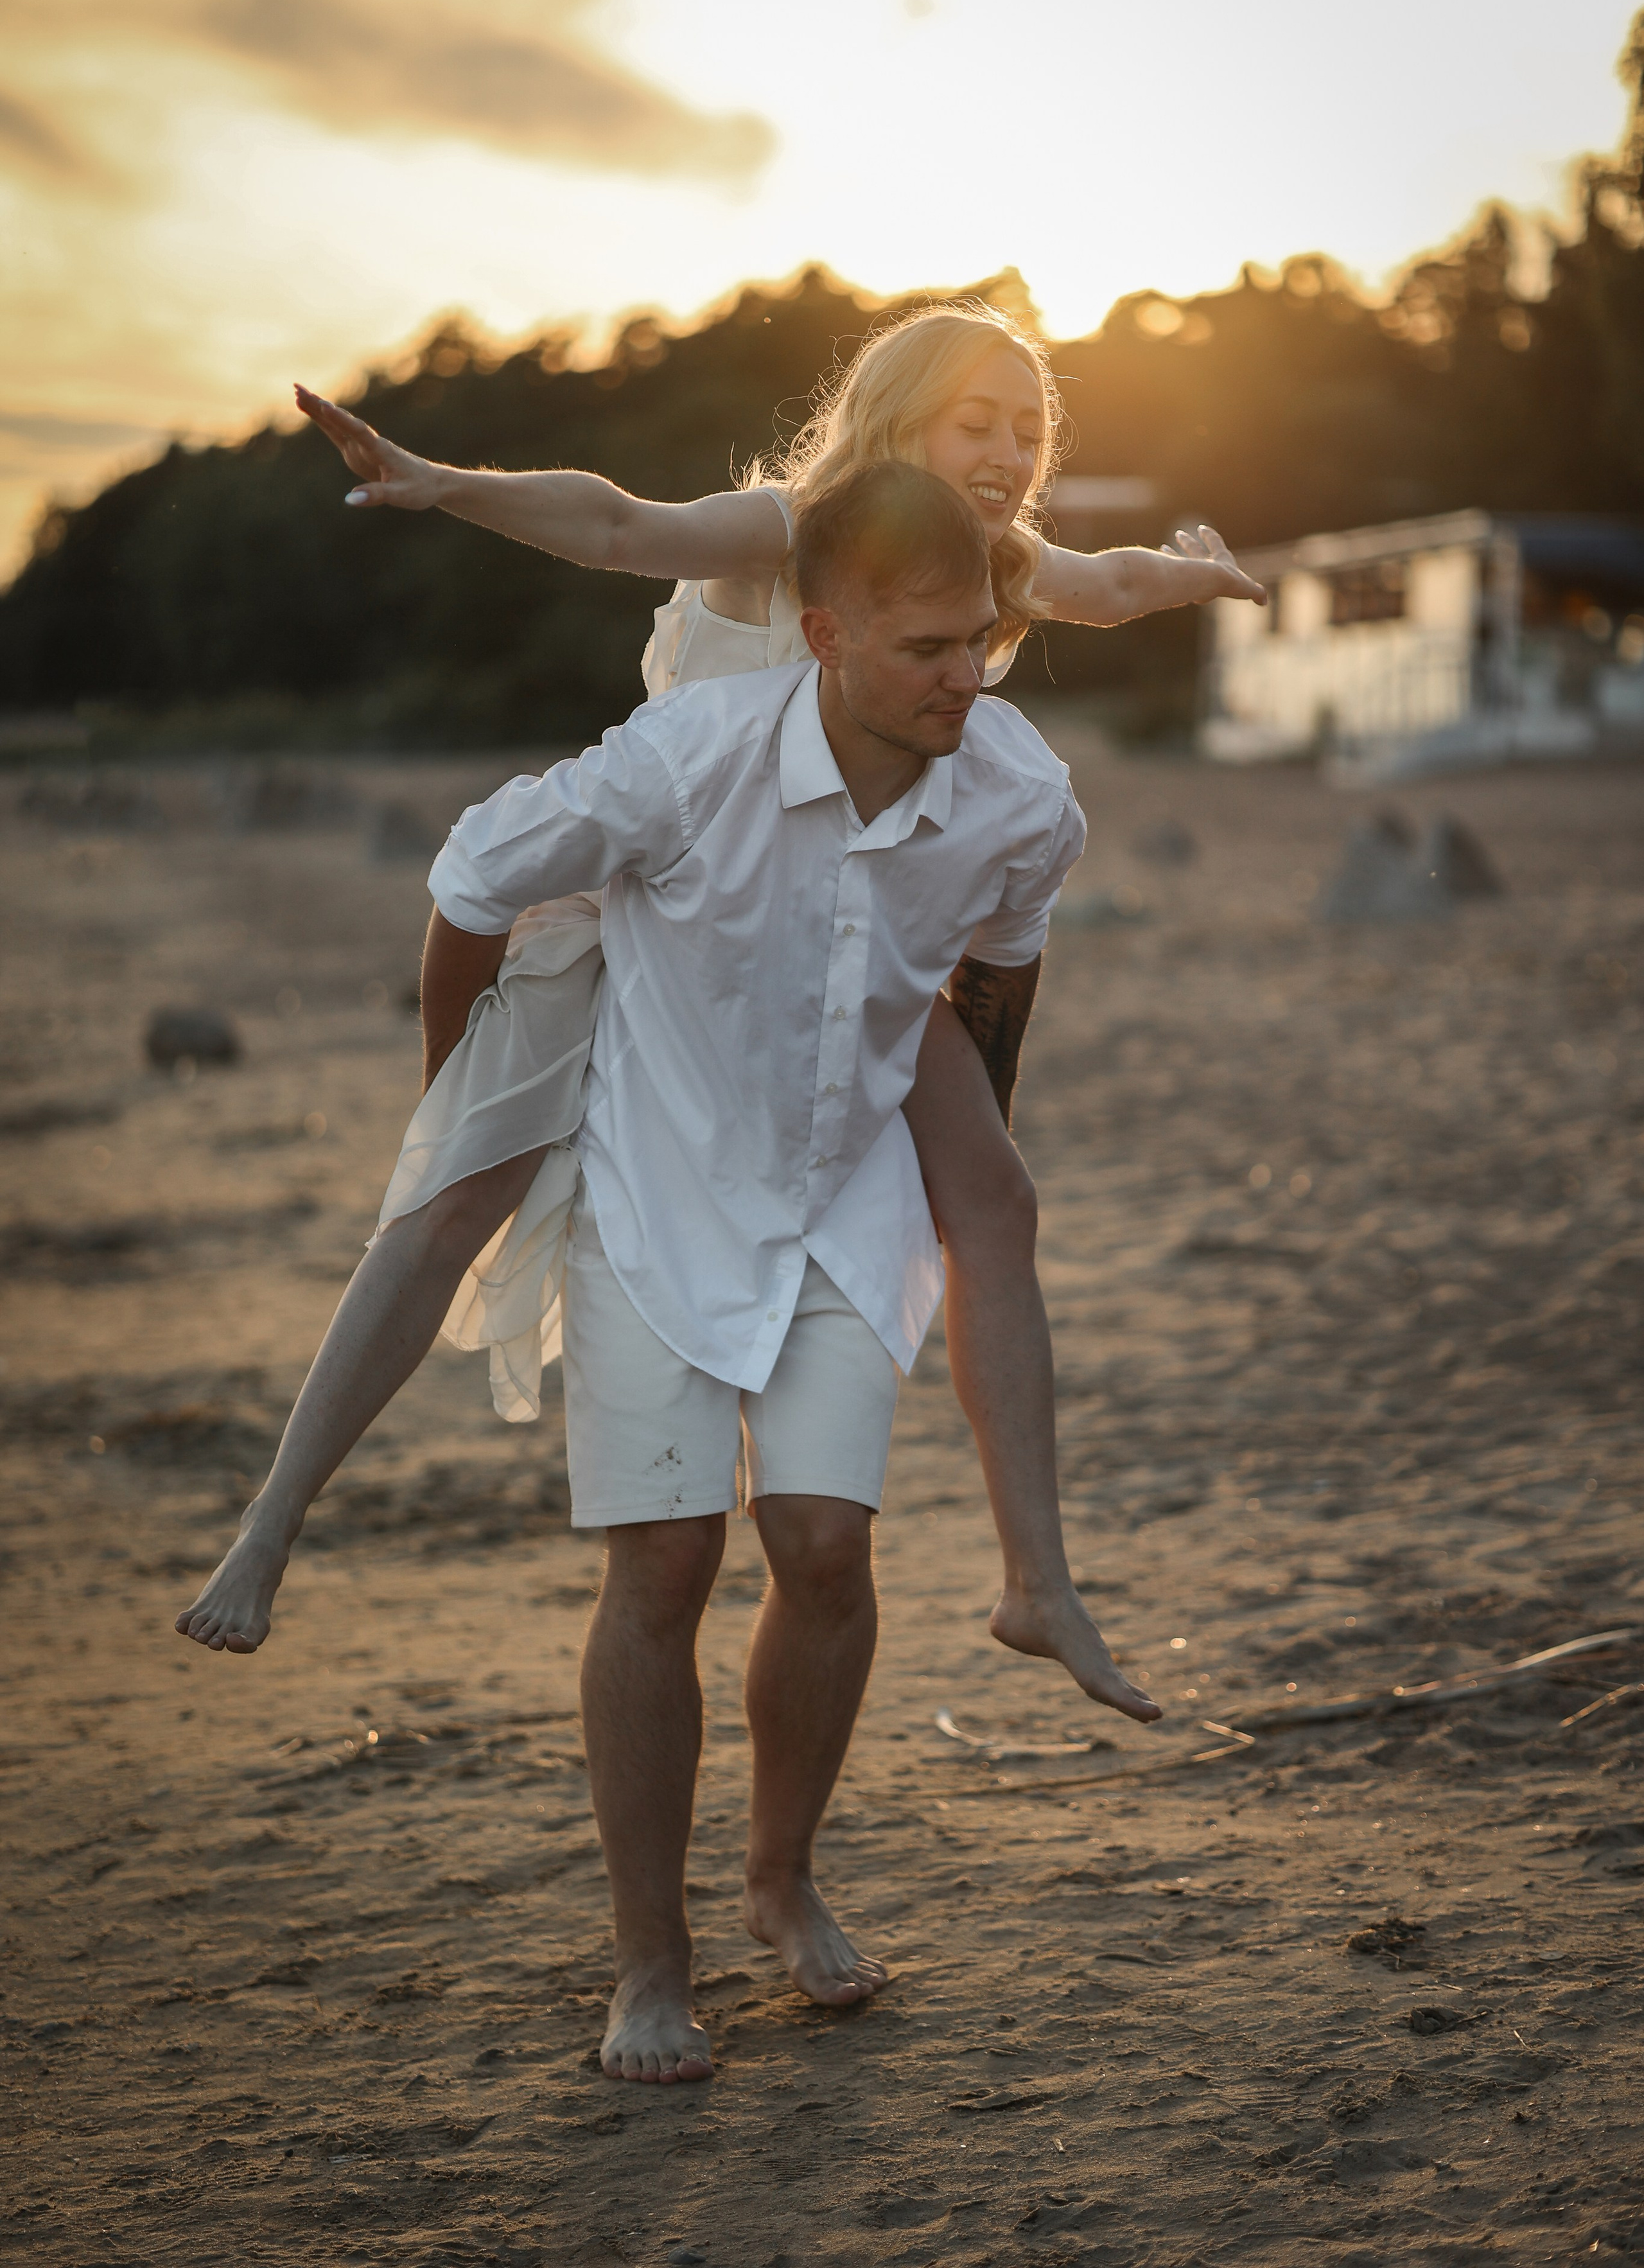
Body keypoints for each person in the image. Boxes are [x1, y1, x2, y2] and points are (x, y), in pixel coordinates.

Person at [179, 305, 1264, 1712]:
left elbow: (1103, 583)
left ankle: (1033, 1583)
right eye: (973, 422)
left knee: (994, 1196)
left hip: (846, 945)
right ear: (897, 418)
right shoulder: (794, 528)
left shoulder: (987, 567)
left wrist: (1190, 574)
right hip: (667, 904)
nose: (1004, 452)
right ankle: (269, 1528)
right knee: (458, 1193)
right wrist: (440, 484)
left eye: (1027, 429)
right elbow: (620, 525)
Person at [405, 461, 1103, 2081]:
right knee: (659, 1568)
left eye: (982, 642)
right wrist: (456, 1117)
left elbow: (998, 975)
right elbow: (464, 885)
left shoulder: (1019, 793)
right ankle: (649, 1965)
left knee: (826, 1547)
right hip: (659, 1180)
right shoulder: (684, 761)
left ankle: (780, 1880)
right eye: (925, 646)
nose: (963, 674)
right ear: (822, 635)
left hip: (846, 1185)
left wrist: (954, 1182)